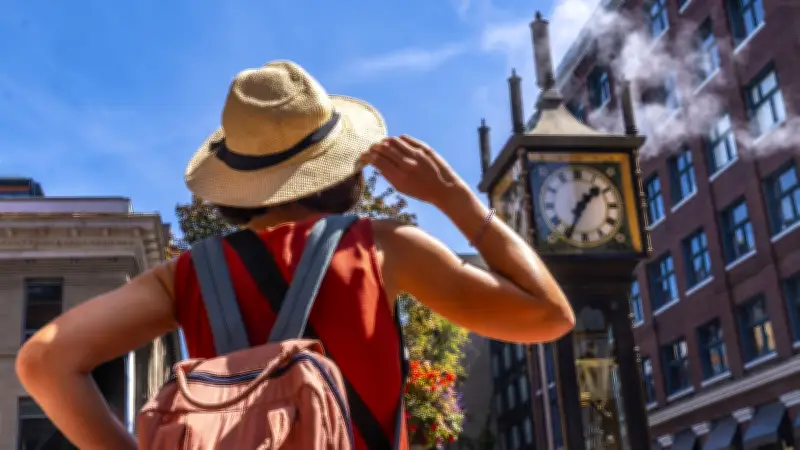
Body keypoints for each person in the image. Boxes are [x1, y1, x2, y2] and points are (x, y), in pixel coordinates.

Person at [15, 60, 574, 449]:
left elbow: (43, 361)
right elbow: (548, 316)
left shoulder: (183, 276)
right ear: (339, 162)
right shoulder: (381, 248)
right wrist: (456, 199)